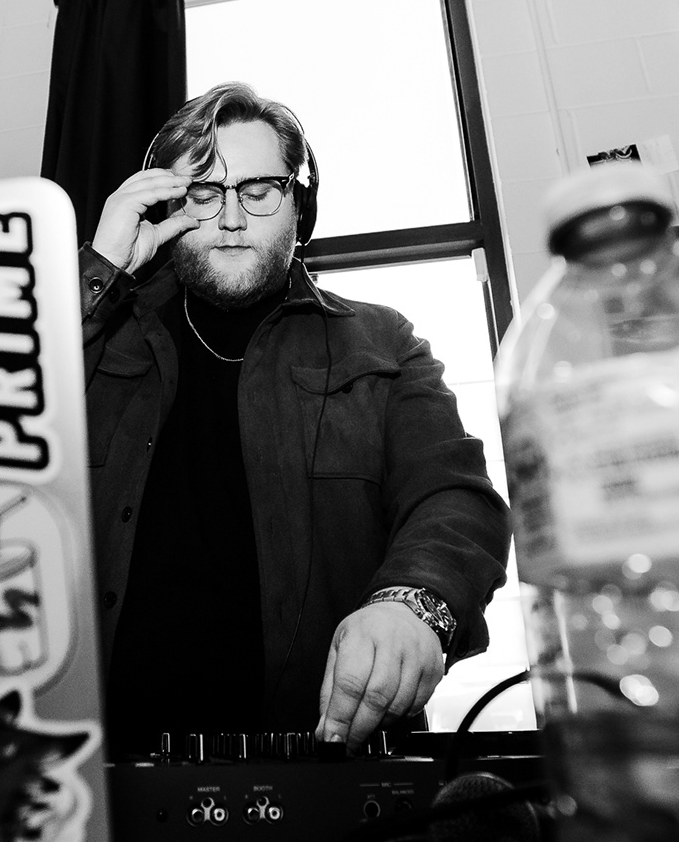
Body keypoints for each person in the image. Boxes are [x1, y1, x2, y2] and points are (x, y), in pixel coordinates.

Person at [79, 82, 509, 753]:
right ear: (166, 208)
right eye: (203, 192)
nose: (230, 218)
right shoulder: (92, 340)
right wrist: (99, 275)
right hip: (101, 773)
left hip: (321, 765)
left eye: (259, 191)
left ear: (299, 208)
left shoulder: (383, 343)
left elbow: (453, 497)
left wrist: (413, 605)